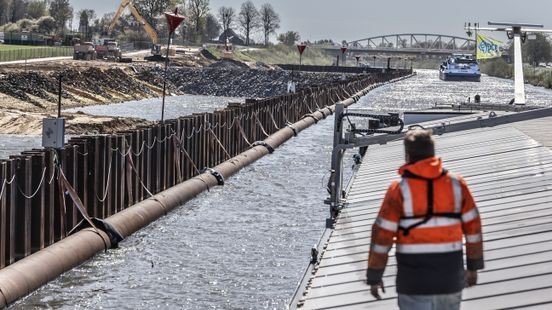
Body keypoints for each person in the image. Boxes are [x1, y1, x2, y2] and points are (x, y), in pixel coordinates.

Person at [366, 129, 484, 310]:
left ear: (407, 155)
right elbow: (473, 228)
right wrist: (473, 266)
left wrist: (375, 276)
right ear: (433, 154)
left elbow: (382, 237)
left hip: (413, 282)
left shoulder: (398, 190)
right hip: (450, 279)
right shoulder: (456, 183)